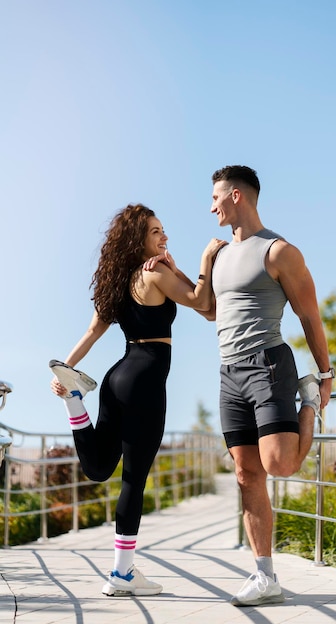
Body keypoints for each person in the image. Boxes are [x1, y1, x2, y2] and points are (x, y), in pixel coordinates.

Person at [49, 203, 226, 597]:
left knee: (98, 468)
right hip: (145, 380)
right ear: (138, 239)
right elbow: (203, 302)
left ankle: (74, 403)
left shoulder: (124, 279)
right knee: (134, 478)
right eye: (155, 232)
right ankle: (123, 574)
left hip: (117, 377)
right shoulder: (156, 273)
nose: (164, 237)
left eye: (163, 230)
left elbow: (95, 330)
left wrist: (64, 367)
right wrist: (206, 258)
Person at [208, 165, 334, 606]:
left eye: (217, 197)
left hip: (269, 365)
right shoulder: (221, 254)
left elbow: (309, 314)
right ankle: (265, 576)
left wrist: (326, 373)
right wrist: (203, 261)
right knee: (246, 475)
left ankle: (310, 404)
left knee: (279, 464)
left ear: (238, 196)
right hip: (228, 372)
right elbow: (209, 310)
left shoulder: (279, 251)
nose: (212, 206)